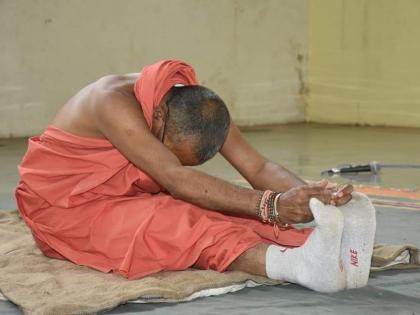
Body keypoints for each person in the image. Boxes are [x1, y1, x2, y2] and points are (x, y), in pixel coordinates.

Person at [16, 59, 356, 293]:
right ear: (159, 115)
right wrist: (272, 204)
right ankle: (297, 267)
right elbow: (176, 179)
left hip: (126, 202)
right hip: (64, 213)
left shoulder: (202, 108)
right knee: (183, 220)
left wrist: (317, 198)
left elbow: (258, 168)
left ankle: (315, 250)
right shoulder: (110, 101)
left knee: (240, 214)